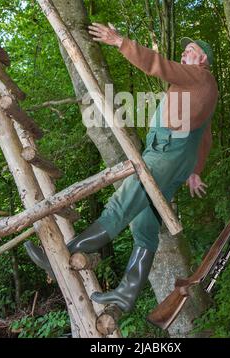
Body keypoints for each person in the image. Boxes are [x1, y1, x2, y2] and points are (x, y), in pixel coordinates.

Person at [25, 23, 218, 313]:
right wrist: (194, 171)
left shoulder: (199, 77)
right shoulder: (203, 88)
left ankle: (63, 254)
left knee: (121, 206)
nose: (183, 53)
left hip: (166, 155)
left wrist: (120, 42)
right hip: (177, 160)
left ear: (202, 59)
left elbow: (158, 66)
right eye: (185, 50)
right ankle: (127, 293)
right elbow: (205, 135)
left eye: (190, 51)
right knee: (144, 225)